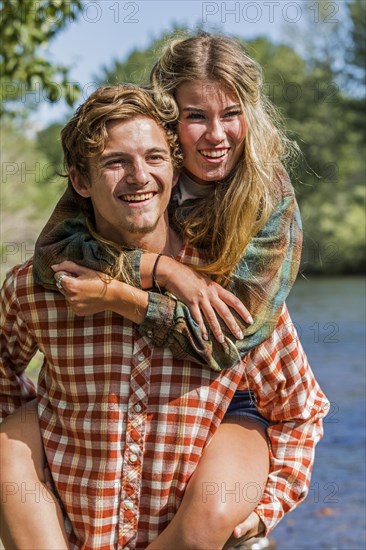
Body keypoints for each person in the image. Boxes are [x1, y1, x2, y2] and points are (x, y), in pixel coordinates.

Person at [0, 37, 328, 550]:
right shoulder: (43, 282)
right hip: (86, 519)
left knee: (209, 517)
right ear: (82, 180)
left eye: (154, 158)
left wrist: (264, 511)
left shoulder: (252, 230)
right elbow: (48, 259)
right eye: (196, 116)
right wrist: (30, 435)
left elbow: (292, 402)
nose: (138, 176)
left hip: (230, 384)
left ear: (170, 163)